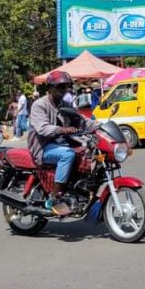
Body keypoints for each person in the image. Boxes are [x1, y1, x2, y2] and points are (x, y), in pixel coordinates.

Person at [29, 71, 98, 216]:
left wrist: (102, 126)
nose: (63, 89)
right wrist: (63, 129)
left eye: (66, 86)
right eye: (59, 86)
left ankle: (78, 189)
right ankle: (55, 197)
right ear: (50, 87)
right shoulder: (39, 105)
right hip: (43, 147)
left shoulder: (66, 104)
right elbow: (43, 129)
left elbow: (81, 121)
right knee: (67, 155)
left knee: (90, 153)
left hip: (63, 144)